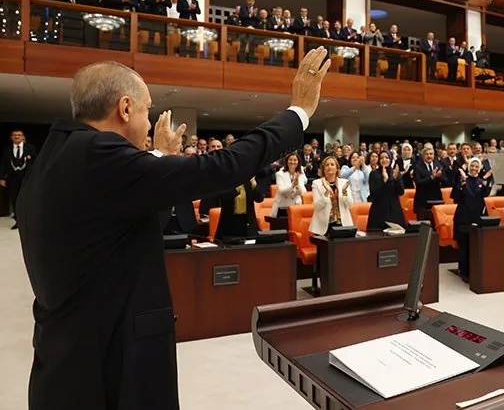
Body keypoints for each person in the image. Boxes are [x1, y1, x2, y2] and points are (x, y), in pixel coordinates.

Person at [16, 47, 331, 410]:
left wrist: (161, 158)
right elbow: (223, 167)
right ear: (125, 108)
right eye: (147, 109)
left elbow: (120, 227)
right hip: (109, 360)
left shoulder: (55, 157)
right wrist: (298, 113)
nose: (149, 124)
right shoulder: (100, 156)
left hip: (64, 357)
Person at [452, 158, 492, 281]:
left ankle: (474, 271)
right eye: (472, 166)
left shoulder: (481, 181)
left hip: (477, 217)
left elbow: (483, 195)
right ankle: (464, 272)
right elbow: (456, 197)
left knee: (475, 245)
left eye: (476, 167)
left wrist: (486, 182)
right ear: (468, 167)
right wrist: (463, 182)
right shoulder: (462, 179)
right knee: (464, 245)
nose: (474, 169)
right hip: (463, 218)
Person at [0, 130, 37, 230]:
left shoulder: (30, 148)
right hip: (13, 178)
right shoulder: (7, 150)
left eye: (19, 135)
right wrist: (2, 178)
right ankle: (18, 221)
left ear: (23, 137)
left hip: (26, 178)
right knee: (15, 199)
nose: (17, 137)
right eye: (14, 135)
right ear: (11, 137)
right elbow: (3, 164)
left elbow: (35, 163)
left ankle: (28, 220)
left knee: (27, 199)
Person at [309, 156, 353, 236]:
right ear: (323, 169)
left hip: (342, 224)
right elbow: (317, 206)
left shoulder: (344, 183)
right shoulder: (317, 183)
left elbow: (349, 204)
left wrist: (344, 193)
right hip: (323, 226)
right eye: (327, 165)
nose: (329, 166)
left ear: (337, 168)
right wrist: (326, 193)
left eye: (332, 164)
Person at [214, 176, 265, 242]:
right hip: (231, 222)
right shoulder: (226, 181)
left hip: (247, 221)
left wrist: (254, 183)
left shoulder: (248, 182)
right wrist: (237, 189)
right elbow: (223, 199)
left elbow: (259, 199)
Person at [367, 151, 406, 230]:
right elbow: (373, 193)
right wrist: (385, 181)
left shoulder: (395, 172)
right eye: (381, 158)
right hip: (378, 211)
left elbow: (401, 192)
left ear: (391, 159)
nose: (384, 160)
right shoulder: (373, 174)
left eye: (387, 157)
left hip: (394, 210)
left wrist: (396, 180)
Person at [271, 152, 307, 217]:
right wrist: (293, 185)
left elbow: (303, 192)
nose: (292, 162)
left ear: (298, 162)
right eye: (290, 159)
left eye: (295, 160)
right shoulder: (279, 174)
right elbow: (281, 191)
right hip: (282, 206)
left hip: (296, 206)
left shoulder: (300, 174)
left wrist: (297, 183)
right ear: (287, 161)